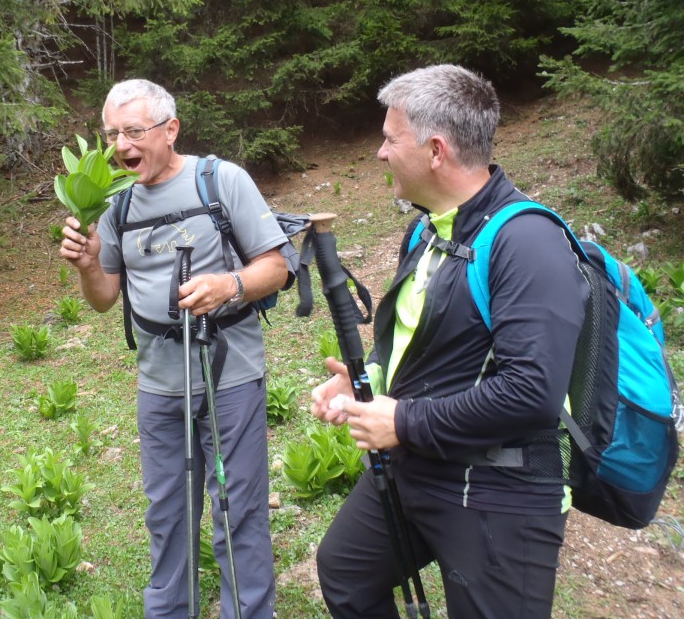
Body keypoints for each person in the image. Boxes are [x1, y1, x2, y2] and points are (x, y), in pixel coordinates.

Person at [311, 64, 588, 618]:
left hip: (501, 489)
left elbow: (532, 391)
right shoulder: (427, 230)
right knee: (345, 571)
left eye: (390, 138)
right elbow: (430, 342)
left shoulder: (527, 241)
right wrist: (369, 381)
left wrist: (402, 421)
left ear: (435, 150)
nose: (379, 152)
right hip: (420, 463)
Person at [60, 78, 288, 619]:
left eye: (134, 131)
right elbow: (103, 298)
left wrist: (227, 286)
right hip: (157, 379)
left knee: (237, 506)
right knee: (166, 509)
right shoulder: (113, 203)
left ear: (171, 129)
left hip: (227, 370)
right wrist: (89, 264)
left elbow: (276, 267)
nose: (121, 146)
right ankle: (170, 611)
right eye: (112, 134)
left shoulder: (220, 180)